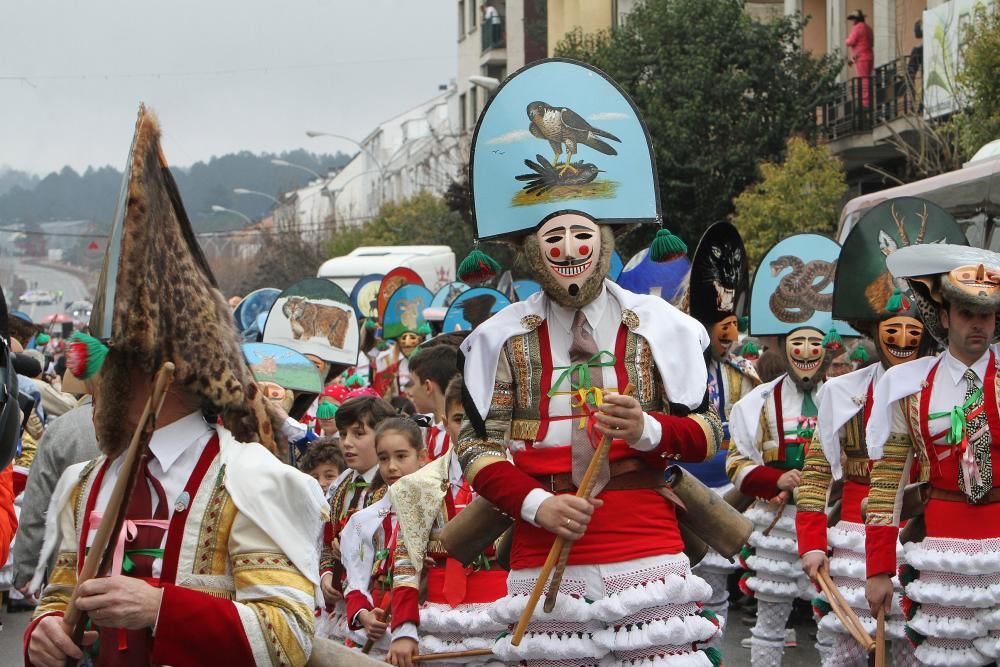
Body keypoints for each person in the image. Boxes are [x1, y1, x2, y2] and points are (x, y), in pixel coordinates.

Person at [25, 108, 326, 667]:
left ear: (153, 368)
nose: (96, 376)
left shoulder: (254, 480)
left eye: (112, 359)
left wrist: (160, 608)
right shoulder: (86, 481)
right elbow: (60, 597)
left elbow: (288, 636)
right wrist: (44, 630)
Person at [455, 59, 724, 665]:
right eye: (554, 239)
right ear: (531, 251)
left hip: (646, 540)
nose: (570, 251)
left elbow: (708, 433)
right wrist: (535, 505)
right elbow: (477, 450)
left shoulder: (662, 330)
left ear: (605, 242)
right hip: (541, 540)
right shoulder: (500, 340)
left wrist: (649, 429)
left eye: (583, 236)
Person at [796, 198, 964, 666]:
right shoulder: (841, 392)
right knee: (850, 656)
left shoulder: (952, 389)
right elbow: (815, 476)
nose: (904, 341)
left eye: (915, 331)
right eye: (894, 329)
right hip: (852, 543)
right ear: (872, 331)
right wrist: (811, 543)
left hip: (930, 541)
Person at [865, 243, 1000, 666]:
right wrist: (879, 568)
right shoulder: (908, 387)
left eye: (986, 315)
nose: (977, 325)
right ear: (943, 317)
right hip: (942, 550)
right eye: (966, 314)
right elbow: (887, 481)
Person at [728, 233, 846, 666]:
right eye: (798, 343)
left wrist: (834, 484)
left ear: (828, 348)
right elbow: (737, 463)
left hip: (832, 521)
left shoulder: (849, 400)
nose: (807, 352)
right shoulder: (753, 404)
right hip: (779, 522)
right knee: (770, 621)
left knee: (835, 620)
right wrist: (775, 478)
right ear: (782, 346)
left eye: (816, 344)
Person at [677, 222, 759, 648]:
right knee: (678, 589)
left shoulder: (744, 375)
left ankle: (716, 655)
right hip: (680, 492)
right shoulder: (673, 373)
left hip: (727, 491)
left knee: (718, 589)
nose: (729, 337)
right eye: (719, 327)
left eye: (733, 326)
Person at [385, 387, 507, 667]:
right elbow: (407, 559)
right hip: (439, 614)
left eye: (478, 418)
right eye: (458, 418)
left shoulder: (514, 473)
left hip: (502, 608)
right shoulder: (417, 483)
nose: (468, 427)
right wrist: (404, 629)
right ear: (443, 421)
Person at [342, 417, 428, 656]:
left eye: (401, 456)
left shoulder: (439, 509)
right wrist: (365, 615)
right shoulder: (364, 521)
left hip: (428, 617)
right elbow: (355, 580)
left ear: (421, 456)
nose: (391, 466)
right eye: (383, 458)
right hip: (381, 622)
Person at [317, 395, 394, 642]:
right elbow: (328, 540)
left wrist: (353, 550)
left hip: (378, 603)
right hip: (344, 604)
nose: (347, 443)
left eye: (358, 434)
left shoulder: (393, 487)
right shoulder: (341, 485)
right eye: (342, 435)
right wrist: (327, 576)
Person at [406, 344, 460, 461]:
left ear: (427, 386)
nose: (410, 392)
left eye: (413, 383)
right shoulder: (424, 425)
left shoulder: (458, 433)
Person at [846, 9, 874, 108]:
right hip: (869, 55)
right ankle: (868, 101)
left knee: (863, 79)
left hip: (861, 57)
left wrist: (847, 40)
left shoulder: (857, 28)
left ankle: (865, 103)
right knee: (868, 78)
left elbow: (850, 41)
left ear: (856, 19)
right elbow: (872, 42)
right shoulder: (868, 28)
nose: (852, 22)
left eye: (853, 19)